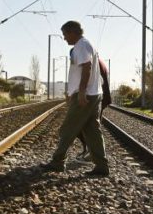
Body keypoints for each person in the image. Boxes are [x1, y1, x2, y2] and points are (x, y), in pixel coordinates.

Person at [43, 20, 109, 176]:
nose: (64, 38)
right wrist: (72, 91)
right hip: (93, 93)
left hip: (86, 95)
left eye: (65, 34)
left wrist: (81, 92)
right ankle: (102, 166)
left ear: (72, 32)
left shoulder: (81, 45)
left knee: (67, 129)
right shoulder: (85, 44)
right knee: (92, 131)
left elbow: (87, 67)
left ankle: (58, 162)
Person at [74, 56, 111, 162]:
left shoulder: (92, 62)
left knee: (86, 127)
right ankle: (89, 151)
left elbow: (91, 80)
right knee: (90, 127)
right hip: (99, 97)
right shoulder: (99, 62)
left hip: (94, 98)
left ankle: (93, 154)